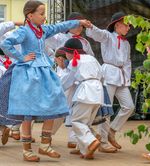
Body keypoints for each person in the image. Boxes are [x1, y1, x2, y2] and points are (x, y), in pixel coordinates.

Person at [0, 0, 91, 162]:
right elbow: (5, 43)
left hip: (44, 72)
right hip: (28, 73)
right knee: (27, 112)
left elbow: (60, 26)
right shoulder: (24, 31)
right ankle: (27, 150)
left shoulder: (43, 30)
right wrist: (21, 57)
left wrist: (79, 22)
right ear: (30, 15)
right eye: (41, 14)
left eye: (45, 13)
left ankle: (45, 144)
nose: (44, 17)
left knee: (55, 103)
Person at [86, 11, 135, 153]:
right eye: (127, 25)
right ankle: (103, 141)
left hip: (121, 77)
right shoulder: (108, 36)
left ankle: (112, 131)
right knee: (106, 109)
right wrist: (90, 26)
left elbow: (127, 62)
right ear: (117, 25)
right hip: (108, 73)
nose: (129, 28)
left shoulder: (126, 44)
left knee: (129, 106)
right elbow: (97, 33)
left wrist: (126, 78)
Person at [46, 12, 95, 149]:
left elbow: (90, 57)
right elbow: (45, 37)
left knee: (77, 107)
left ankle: (73, 138)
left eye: (81, 25)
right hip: (65, 75)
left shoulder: (85, 42)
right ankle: (48, 134)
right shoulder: (59, 36)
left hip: (80, 79)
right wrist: (57, 58)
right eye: (76, 24)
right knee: (61, 107)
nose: (79, 27)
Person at [60, 38, 103, 159]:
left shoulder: (75, 60)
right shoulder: (92, 58)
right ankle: (85, 149)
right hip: (98, 92)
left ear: (73, 52)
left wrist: (57, 90)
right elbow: (102, 74)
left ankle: (92, 140)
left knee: (77, 121)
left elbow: (68, 80)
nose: (65, 55)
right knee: (86, 122)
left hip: (85, 91)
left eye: (67, 52)